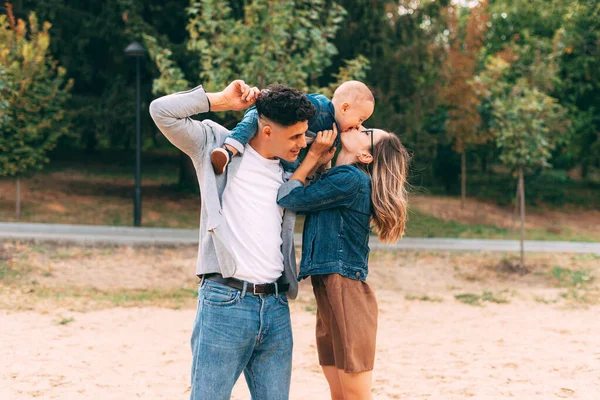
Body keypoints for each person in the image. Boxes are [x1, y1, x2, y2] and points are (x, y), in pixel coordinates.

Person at [149, 80, 315, 400]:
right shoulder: (216, 145)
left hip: (277, 307)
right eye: (294, 136)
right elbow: (162, 111)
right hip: (226, 303)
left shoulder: (289, 168)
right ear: (267, 131)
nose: (301, 142)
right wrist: (222, 101)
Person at [277, 125, 410, 400]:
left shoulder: (350, 179)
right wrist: (320, 162)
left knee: (355, 396)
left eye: (366, 132)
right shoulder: (336, 178)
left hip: (344, 289)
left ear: (365, 156)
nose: (359, 127)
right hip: (330, 286)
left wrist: (313, 156)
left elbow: (289, 197)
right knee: (339, 393)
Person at [210, 80, 375, 174]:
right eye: (360, 119)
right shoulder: (320, 107)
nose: (359, 126)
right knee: (250, 124)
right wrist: (267, 97)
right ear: (344, 108)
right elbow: (291, 102)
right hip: (269, 111)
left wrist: (325, 172)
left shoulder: (336, 135)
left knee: (293, 169)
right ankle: (227, 150)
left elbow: (325, 160)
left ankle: (289, 183)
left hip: (288, 148)